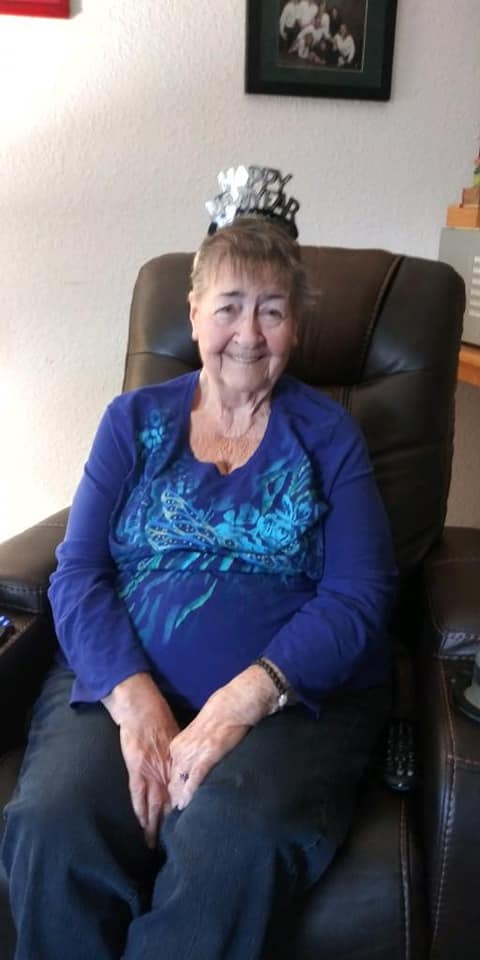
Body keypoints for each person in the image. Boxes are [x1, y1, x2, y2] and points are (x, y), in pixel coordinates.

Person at [1, 166, 397, 960]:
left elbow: (360, 595)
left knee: (229, 840)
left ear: (295, 326)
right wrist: (136, 701)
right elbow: (78, 574)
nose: (248, 333)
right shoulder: (132, 420)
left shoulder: (328, 437)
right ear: (192, 313)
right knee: (54, 825)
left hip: (288, 703)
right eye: (229, 306)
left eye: (272, 310)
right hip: (120, 685)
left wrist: (242, 700)